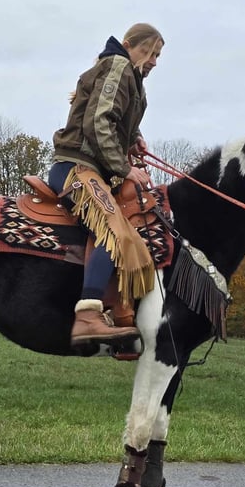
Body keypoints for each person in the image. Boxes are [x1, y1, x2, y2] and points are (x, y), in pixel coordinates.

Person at [47, 23, 164, 347]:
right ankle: (87, 315)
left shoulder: (128, 74)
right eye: (148, 51)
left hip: (94, 170)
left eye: (157, 55)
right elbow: (98, 121)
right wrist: (125, 169)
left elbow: (111, 118)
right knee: (112, 229)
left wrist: (134, 139)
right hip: (76, 168)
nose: (153, 60)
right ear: (128, 45)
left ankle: (121, 314)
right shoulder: (119, 65)